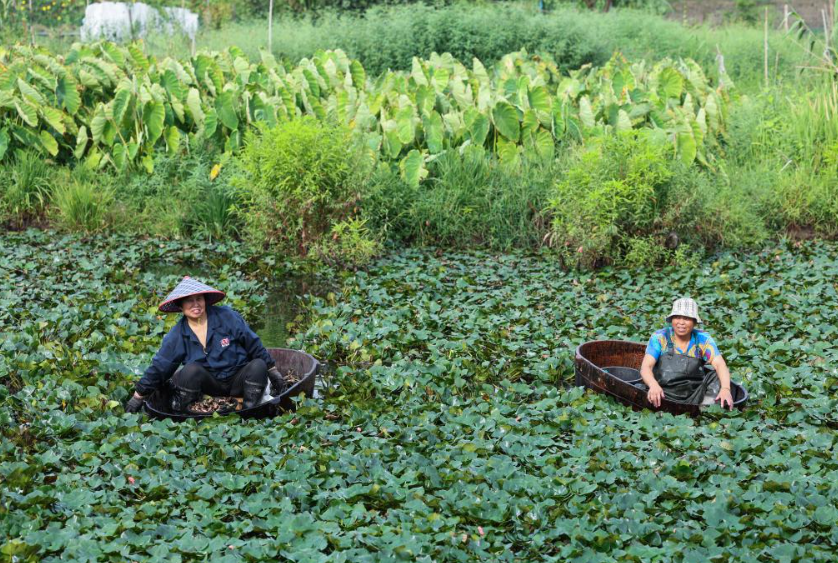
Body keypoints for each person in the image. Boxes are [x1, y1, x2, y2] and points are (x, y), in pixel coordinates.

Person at [125, 277, 287, 413]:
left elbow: (254, 344)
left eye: (199, 299)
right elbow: (160, 366)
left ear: (205, 301)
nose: (195, 305)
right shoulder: (177, 334)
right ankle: (188, 411)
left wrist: (273, 371)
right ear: (181, 306)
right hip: (209, 387)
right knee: (190, 370)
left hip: (238, 379)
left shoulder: (227, 317)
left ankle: (248, 411)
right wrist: (138, 396)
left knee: (258, 365)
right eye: (189, 301)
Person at [639, 297, 734, 410]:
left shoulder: (703, 339)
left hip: (694, 395)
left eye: (687, 318)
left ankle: (705, 409)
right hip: (663, 393)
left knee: (716, 375)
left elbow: (720, 365)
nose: (681, 323)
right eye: (677, 317)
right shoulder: (660, 337)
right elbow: (646, 367)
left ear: (694, 322)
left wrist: (725, 389)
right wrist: (653, 385)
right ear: (672, 319)